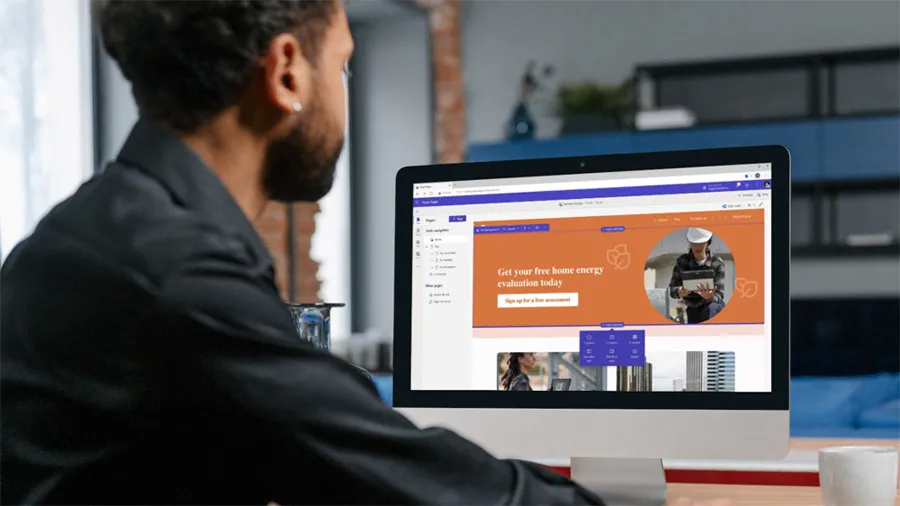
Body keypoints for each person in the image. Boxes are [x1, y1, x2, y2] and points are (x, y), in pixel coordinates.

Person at [0, 2, 726, 505]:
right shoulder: (176, 275)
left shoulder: (92, 234)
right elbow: (407, 482)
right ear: (288, 72)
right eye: (343, 66)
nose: (343, 96)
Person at [668, 228, 727, 324]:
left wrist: (709, 297)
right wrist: (679, 292)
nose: (697, 246)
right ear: (689, 242)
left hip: (712, 307)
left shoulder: (717, 263)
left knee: (712, 308)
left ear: (708, 241)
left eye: (701, 242)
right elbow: (671, 289)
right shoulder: (682, 262)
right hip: (693, 309)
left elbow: (720, 294)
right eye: (694, 243)